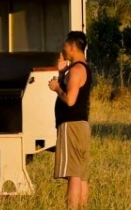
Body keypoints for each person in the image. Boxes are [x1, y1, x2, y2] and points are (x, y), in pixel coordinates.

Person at [48, 31, 91, 209]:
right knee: (81, 174)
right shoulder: (83, 68)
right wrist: (61, 73)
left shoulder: (75, 70)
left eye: (65, 45)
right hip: (82, 125)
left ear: (72, 47)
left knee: (72, 173)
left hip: (71, 125)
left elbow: (70, 100)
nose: (63, 49)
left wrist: (57, 88)